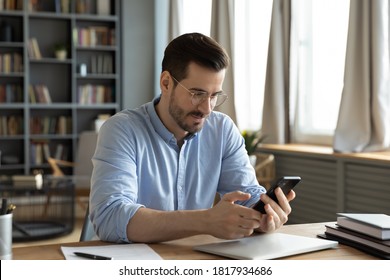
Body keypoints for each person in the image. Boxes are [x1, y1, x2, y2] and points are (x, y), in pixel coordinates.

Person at [89, 32, 296, 243]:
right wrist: (205, 221)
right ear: (166, 83)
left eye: (214, 95)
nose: (206, 108)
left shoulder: (222, 130)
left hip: (193, 256)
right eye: (197, 93)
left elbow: (248, 195)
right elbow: (110, 217)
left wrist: (262, 216)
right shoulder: (122, 130)